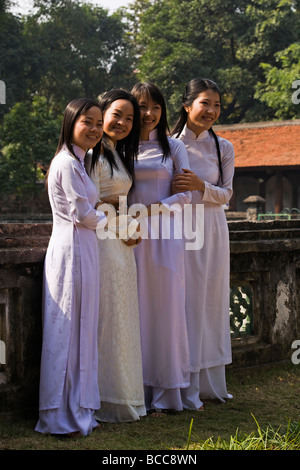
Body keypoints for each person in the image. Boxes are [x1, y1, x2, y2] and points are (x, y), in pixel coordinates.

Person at [35, 98, 107, 436]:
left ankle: (78, 407)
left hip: (83, 247)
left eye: (98, 123)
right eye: (87, 122)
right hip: (72, 248)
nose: (94, 129)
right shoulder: (65, 163)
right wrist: (112, 218)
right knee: (69, 329)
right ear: (70, 123)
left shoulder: (80, 162)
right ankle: (60, 413)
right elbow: (83, 215)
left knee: (83, 326)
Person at [171, 78, 234, 410]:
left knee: (209, 300)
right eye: (205, 103)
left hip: (211, 228)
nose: (211, 111)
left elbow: (227, 194)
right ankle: (179, 381)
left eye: (217, 105)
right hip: (178, 228)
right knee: (182, 301)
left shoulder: (224, 147)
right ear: (187, 105)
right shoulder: (168, 145)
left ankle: (207, 382)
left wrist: (200, 186)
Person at [129, 82, 191, 416]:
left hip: (166, 237)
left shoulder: (174, 147)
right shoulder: (120, 148)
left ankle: (167, 394)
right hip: (129, 238)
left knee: (166, 309)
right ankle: (133, 388)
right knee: (135, 310)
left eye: (155, 107)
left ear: (163, 110)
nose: (149, 114)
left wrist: (150, 210)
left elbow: (185, 195)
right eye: (141, 106)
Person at [86, 89, 146, 423]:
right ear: (101, 111)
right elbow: (89, 200)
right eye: (117, 114)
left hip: (121, 240)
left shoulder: (113, 152)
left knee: (122, 315)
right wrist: (120, 218)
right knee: (109, 315)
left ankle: (127, 396)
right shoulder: (93, 152)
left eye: (129, 118)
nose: (122, 122)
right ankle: (106, 398)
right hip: (104, 241)